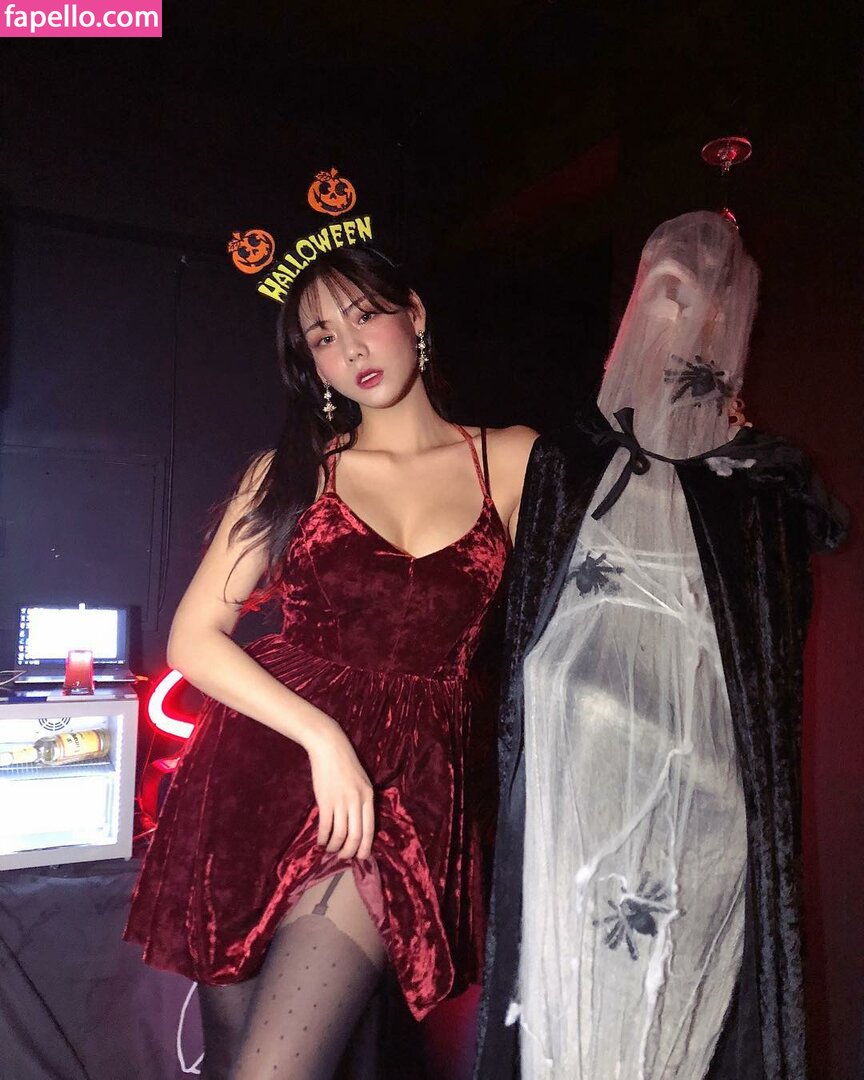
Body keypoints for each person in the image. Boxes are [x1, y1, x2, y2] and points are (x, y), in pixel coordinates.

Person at [124, 245, 537, 1079]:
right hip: (262, 770)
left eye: (364, 316)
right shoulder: (296, 472)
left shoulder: (515, 459)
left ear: (414, 316)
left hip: (402, 793)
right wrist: (323, 738)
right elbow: (194, 638)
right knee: (238, 1059)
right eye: (321, 337)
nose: (349, 349)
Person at [475, 212, 847, 1079]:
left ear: (731, 315)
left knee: (672, 1010)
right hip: (578, 797)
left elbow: (765, 675)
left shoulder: (754, 492)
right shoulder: (572, 465)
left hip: (700, 807)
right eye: (663, 289)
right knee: (571, 1010)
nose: (677, 314)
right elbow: (525, 632)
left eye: (703, 296)